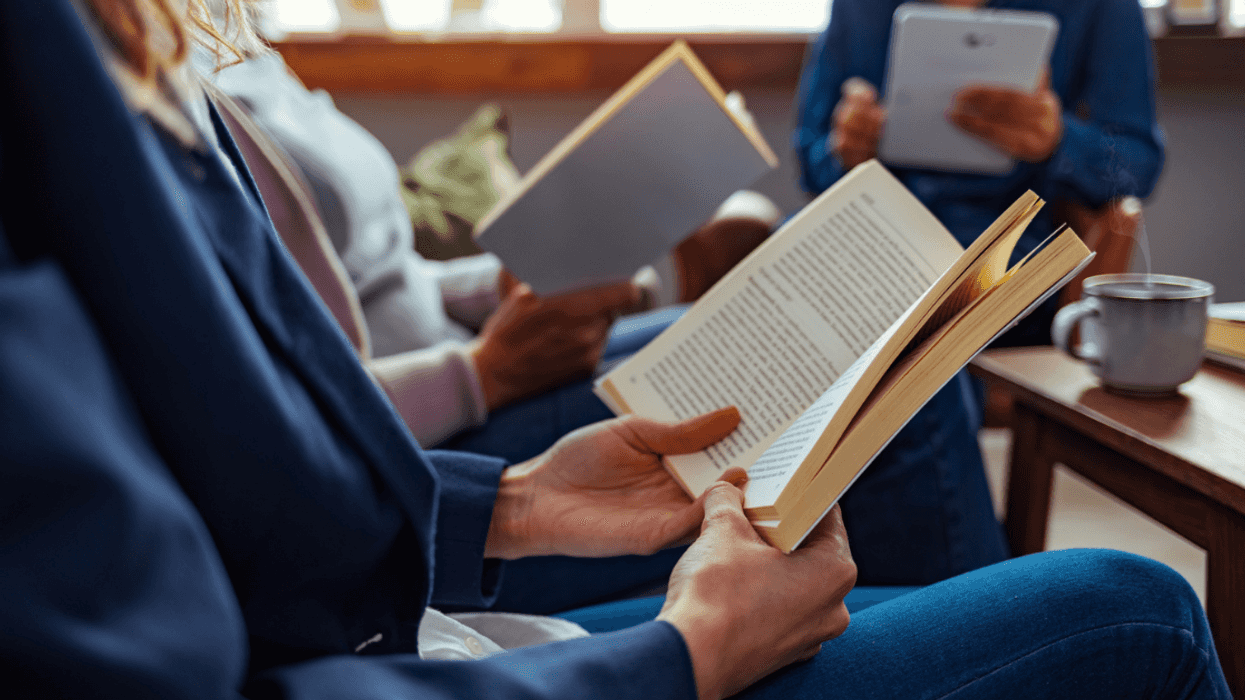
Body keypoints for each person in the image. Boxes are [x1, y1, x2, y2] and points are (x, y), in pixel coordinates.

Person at [2, 1, 1230, 699]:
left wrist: (512, 506)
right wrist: (677, 654)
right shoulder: (78, 76)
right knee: (1141, 609)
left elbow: (1130, 163)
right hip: (424, 632)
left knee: (901, 426)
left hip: (405, 555)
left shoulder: (159, 54)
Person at [208, 48, 776, 457]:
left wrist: (501, 286)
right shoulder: (154, 107)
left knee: (761, 337)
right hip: (419, 438)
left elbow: (377, 271)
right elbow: (259, 422)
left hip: (477, 360)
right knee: (772, 394)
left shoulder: (229, 38)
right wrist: (482, 375)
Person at [791, 0, 1166, 585]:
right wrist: (842, 148)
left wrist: (1058, 140)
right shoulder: (857, 9)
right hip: (874, 237)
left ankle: (949, 604)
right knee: (869, 328)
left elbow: (1137, 164)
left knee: (912, 347)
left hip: (1010, 252)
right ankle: (895, 602)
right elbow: (811, 151)